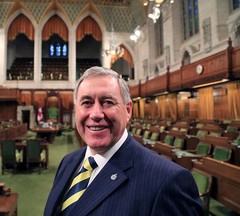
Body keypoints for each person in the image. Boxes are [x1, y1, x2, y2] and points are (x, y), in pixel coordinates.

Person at [44, 66, 204, 216]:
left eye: (108, 102)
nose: (96, 114)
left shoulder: (168, 180)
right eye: (86, 103)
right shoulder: (68, 162)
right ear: (76, 110)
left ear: (128, 110)